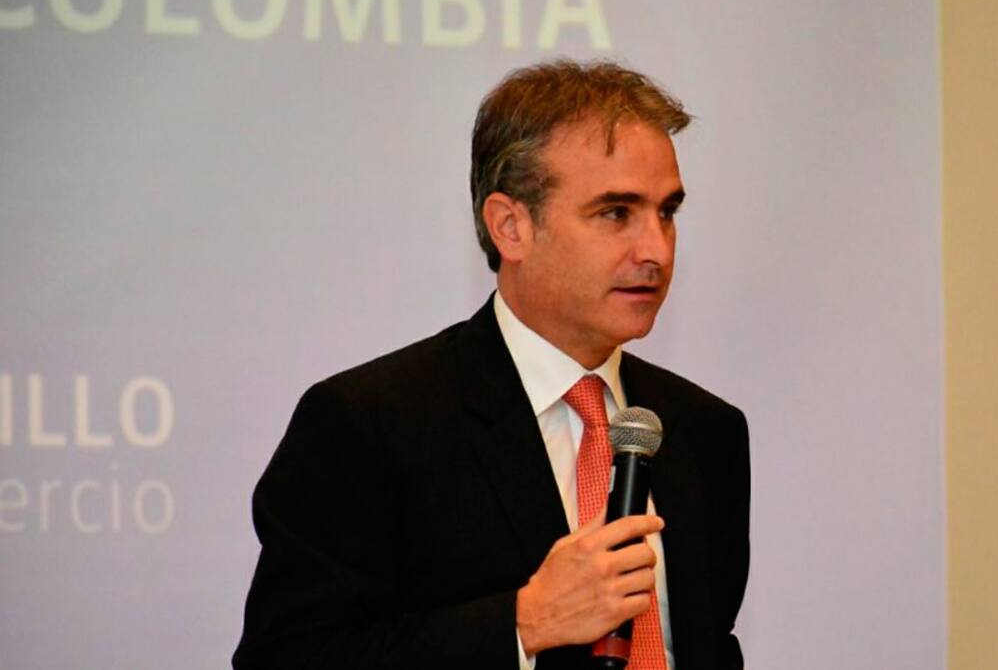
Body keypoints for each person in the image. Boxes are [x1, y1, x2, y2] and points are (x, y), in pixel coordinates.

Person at [233, 59, 750, 670]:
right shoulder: (369, 424)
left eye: (667, 212)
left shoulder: (705, 432)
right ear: (510, 227)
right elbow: (286, 659)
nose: (656, 249)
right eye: (616, 213)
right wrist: (524, 624)